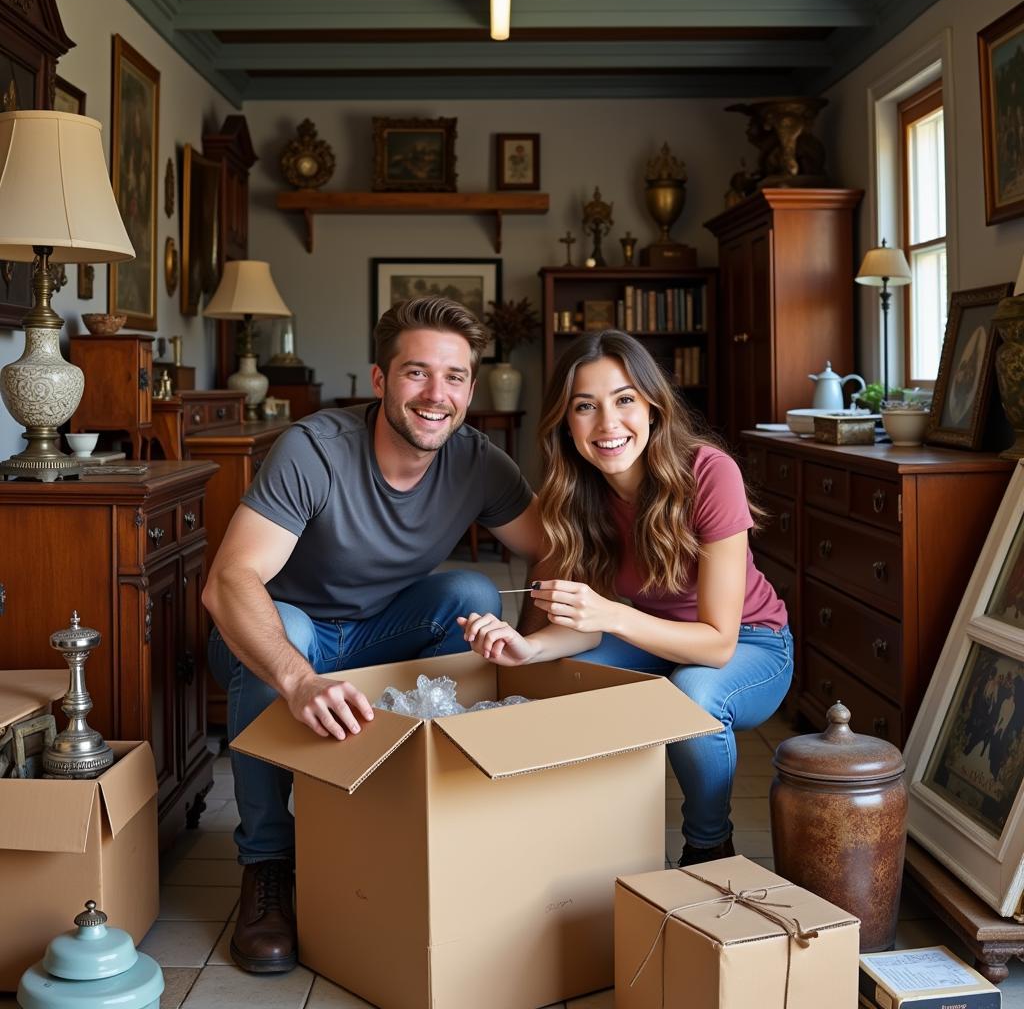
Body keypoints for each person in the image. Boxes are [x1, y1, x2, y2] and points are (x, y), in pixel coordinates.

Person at [203, 296, 543, 974]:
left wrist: (533, 647)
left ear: (471, 389)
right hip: (277, 640)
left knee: (472, 594)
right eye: (416, 373)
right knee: (292, 625)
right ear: (381, 380)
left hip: (378, 632)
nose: (435, 395)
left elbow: (554, 549)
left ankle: (419, 813)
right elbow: (228, 582)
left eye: (453, 378)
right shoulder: (314, 450)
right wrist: (297, 678)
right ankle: (267, 864)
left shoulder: (479, 461)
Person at [459, 330, 793, 868]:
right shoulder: (572, 493)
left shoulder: (709, 473)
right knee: (564, 676)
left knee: (695, 694)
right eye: (585, 407)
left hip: (751, 646)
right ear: (565, 424)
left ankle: (709, 847)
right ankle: (593, 842)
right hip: (642, 634)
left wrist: (613, 614)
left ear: (655, 407)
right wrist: (527, 648)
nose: (608, 425)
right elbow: (586, 626)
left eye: (624, 401)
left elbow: (716, 645)